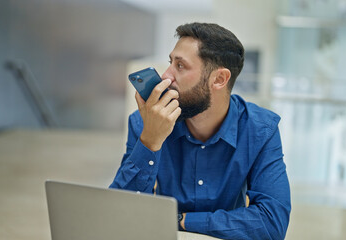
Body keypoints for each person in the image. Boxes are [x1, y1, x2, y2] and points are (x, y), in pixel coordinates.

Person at [110, 22, 291, 240]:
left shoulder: (260, 130)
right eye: (170, 62)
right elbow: (118, 214)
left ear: (219, 79)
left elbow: (271, 224)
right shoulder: (146, 123)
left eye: (180, 66)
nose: (166, 76)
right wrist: (150, 139)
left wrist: (180, 220)